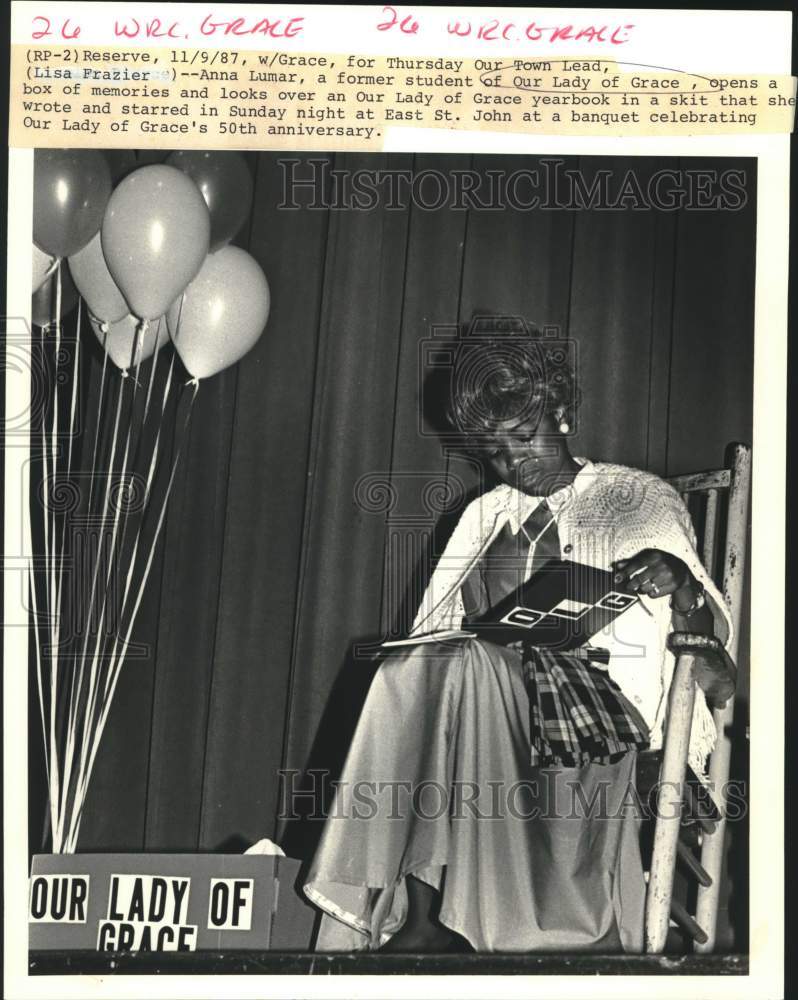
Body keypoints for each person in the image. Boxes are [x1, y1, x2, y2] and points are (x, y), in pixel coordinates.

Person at [302, 318, 734, 953]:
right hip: (492, 718)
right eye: (494, 452)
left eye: (523, 438)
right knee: (407, 670)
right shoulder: (484, 514)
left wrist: (682, 588)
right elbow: (431, 635)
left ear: (560, 412)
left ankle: (427, 921)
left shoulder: (638, 498)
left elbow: (717, 658)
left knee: (468, 667)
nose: (512, 463)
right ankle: (414, 910)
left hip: (598, 738)